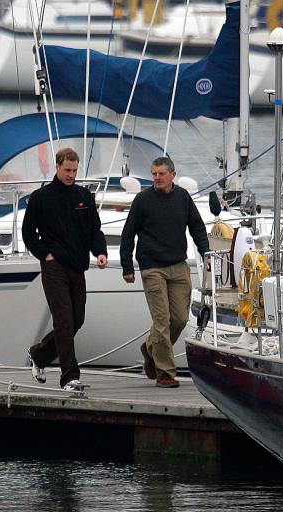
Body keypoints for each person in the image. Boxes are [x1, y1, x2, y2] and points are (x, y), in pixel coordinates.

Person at [22, 147, 107, 391]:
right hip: (54, 265)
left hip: (77, 265)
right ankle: (70, 377)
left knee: (76, 320)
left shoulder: (83, 196)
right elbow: (28, 232)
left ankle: (39, 355)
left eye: (74, 170)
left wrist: (100, 252)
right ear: (57, 167)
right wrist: (44, 254)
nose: (71, 174)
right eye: (67, 170)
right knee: (64, 321)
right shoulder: (41, 197)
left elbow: (94, 231)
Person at [120, 156, 209, 388]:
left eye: (161, 174)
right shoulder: (143, 200)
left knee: (179, 319)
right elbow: (128, 234)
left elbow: (197, 227)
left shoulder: (183, 198)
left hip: (178, 265)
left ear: (172, 175)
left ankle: (150, 347)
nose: (157, 178)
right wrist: (127, 266)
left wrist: (206, 253)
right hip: (152, 267)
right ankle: (165, 373)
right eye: (154, 174)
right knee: (162, 320)